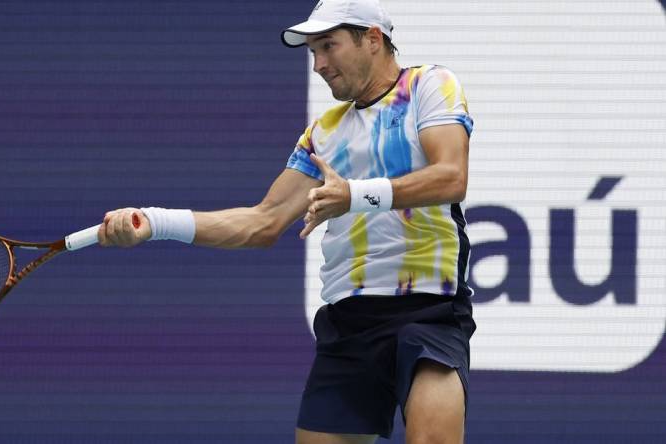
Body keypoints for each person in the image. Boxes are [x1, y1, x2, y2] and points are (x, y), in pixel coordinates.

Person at [98, 0, 476, 442]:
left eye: (328, 46)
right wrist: (154, 221)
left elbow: (451, 176)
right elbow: (263, 221)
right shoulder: (324, 133)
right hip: (349, 322)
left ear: (373, 39)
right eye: (313, 52)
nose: (319, 64)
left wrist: (353, 195)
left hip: (428, 310)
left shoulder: (430, 85)